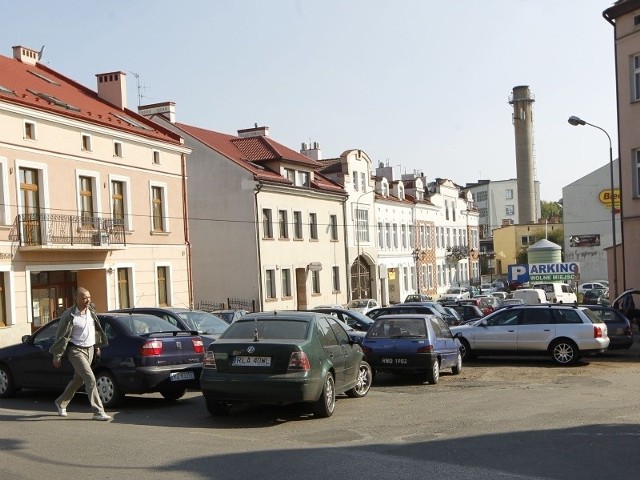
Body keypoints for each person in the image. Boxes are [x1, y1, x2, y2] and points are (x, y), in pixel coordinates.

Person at [49, 287, 111, 421]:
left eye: (89, 297)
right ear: (76, 299)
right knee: (90, 378)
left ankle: (61, 402)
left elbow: (94, 330)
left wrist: (96, 346)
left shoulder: (91, 312)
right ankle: (98, 411)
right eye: (84, 298)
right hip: (75, 350)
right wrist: (57, 354)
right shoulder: (69, 315)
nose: (87, 300)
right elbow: (61, 335)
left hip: (89, 349)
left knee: (79, 379)